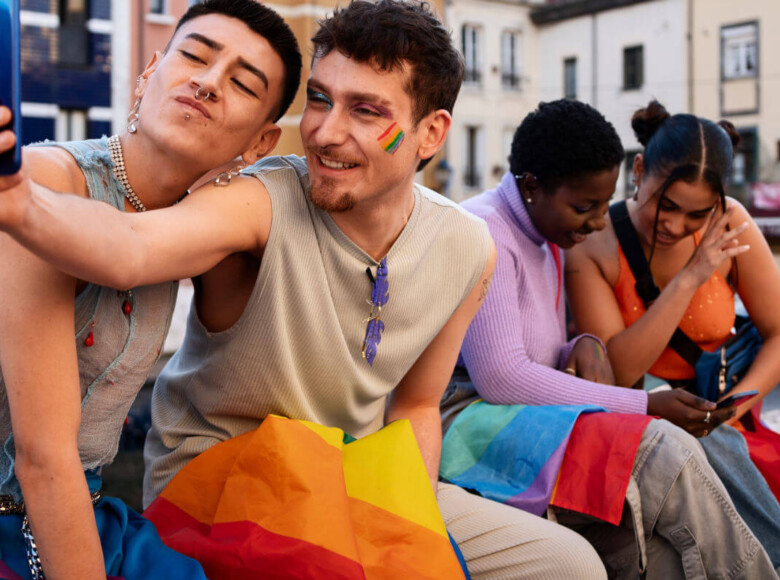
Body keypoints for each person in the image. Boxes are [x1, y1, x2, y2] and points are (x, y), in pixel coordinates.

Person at [0, 2, 621, 577]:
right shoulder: (256, 198)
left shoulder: (466, 245)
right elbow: (128, 249)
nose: (324, 133)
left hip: (348, 474)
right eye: (321, 100)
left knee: (569, 564)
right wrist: (19, 198)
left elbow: (416, 408)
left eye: (367, 110)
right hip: (224, 478)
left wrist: (406, 528)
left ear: (431, 134)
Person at [0, 0, 302, 577]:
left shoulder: (192, 234)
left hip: (86, 514)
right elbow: (41, 458)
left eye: (241, 82)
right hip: (32, 512)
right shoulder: (44, 187)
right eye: (194, 56)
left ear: (262, 144)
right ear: (147, 76)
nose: (208, 83)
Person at [443, 99, 779, 577]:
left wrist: (578, 344)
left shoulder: (547, 232)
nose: (601, 221)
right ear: (533, 186)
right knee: (666, 448)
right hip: (469, 417)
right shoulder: (487, 230)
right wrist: (643, 406)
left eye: (604, 205)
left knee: (663, 555)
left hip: (511, 411)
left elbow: (534, 352)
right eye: (586, 208)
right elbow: (501, 377)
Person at [566, 100, 780, 564]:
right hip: (640, 412)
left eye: (696, 215)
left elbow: (778, 332)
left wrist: (737, 405)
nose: (674, 225)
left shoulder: (734, 224)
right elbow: (618, 372)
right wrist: (690, 278)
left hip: (726, 415)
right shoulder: (596, 243)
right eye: (666, 204)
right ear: (639, 169)